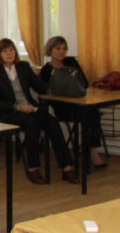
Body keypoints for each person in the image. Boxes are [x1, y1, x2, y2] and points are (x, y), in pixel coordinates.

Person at [0, 38, 76, 185]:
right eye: (5, 51)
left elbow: (40, 86)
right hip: (8, 113)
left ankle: (67, 167)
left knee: (52, 122)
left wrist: (58, 86)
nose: (9, 54)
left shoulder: (23, 67)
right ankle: (33, 168)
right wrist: (18, 107)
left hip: (30, 108)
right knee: (31, 123)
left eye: (11, 50)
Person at [39, 35, 106, 168]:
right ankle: (89, 151)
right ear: (50, 50)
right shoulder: (46, 70)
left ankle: (91, 149)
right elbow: (46, 93)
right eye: (58, 48)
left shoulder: (71, 62)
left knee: (93, 113)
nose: (61, 52)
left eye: (64, 49)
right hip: (63, 107)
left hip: (79, 101)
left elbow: (84, 83)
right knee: (89, 115)